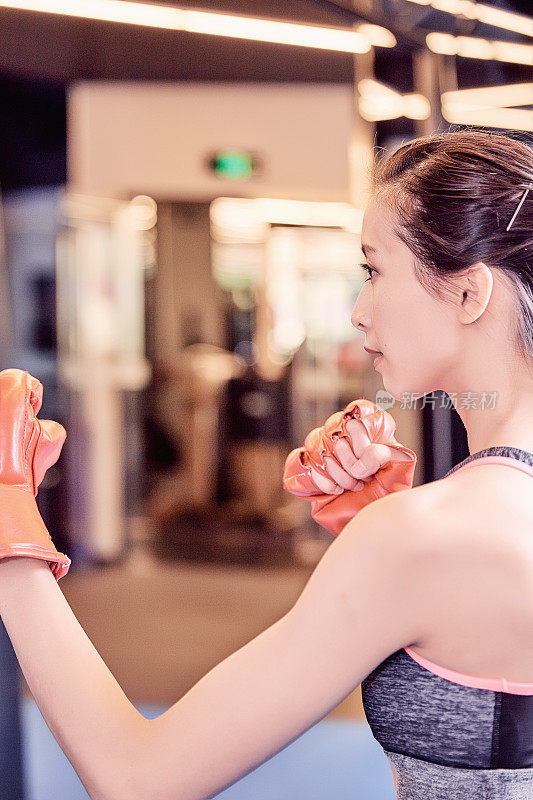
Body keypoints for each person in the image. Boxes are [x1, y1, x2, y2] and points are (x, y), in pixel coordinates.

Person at [0, 127, 531, 800]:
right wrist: (386, 528)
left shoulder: (423, 539)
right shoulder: (443, 531)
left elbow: (137, 779)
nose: (357, 312)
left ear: (467, 293)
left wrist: (10, 531)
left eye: (373, 270)